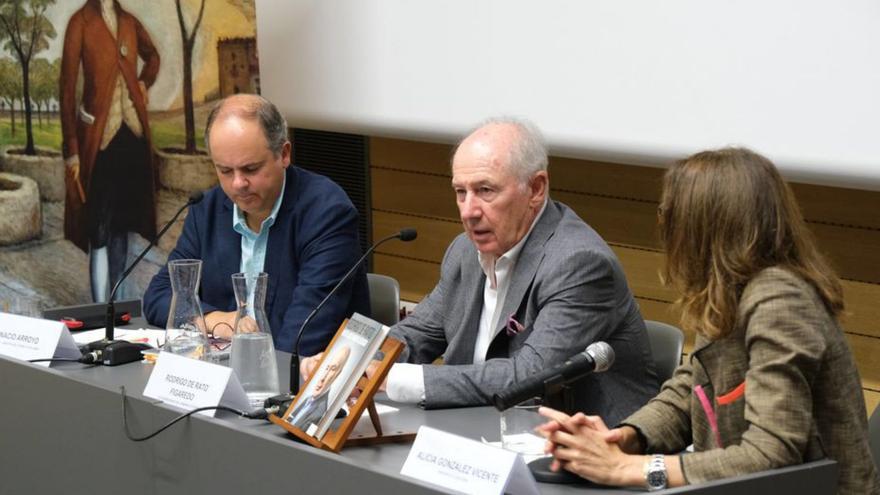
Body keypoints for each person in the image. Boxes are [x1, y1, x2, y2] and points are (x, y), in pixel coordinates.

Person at [537, 148, 880, 493]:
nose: (663, 225)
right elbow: (690, 390)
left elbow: (772, 455)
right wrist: (625, 438)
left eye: (668, 213)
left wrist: (635, 468)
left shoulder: (781, 302)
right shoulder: (730, 291)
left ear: (702, 226)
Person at [303, 117, 658, 425]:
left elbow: (529, 377)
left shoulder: (579, 263)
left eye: (485, 191)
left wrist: (391, 378)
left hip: (589, 457)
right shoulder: (464, 250)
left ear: (536, 189)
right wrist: (350, 362)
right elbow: (416, 334)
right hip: (479, 431)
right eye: (461, 192)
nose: (469, 211)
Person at [143, 94, 370, 356]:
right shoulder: (208, 209)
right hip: (222, 374)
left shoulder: (327, 213)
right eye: (225, 171)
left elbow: (302, 337)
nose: (238, 183)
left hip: (304, 379)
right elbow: (160, 295)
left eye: (250, 169)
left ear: (284, 154)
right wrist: (214, 319)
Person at [60, 0, 160, 302]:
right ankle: (99, 307)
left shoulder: (129, 21)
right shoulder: (80, 22)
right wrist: (72, 149)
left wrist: (143, 83)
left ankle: (116, 305)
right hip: (97, 139)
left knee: (123, 224)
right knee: (98, 228)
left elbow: (152, 57)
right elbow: (66, 86)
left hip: (131, 137)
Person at [288, 345, 351, 432]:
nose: (322, 378)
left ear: (339, 374)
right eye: (327, 368)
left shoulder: (321, 411)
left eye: (333, 369)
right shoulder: (307, 399)